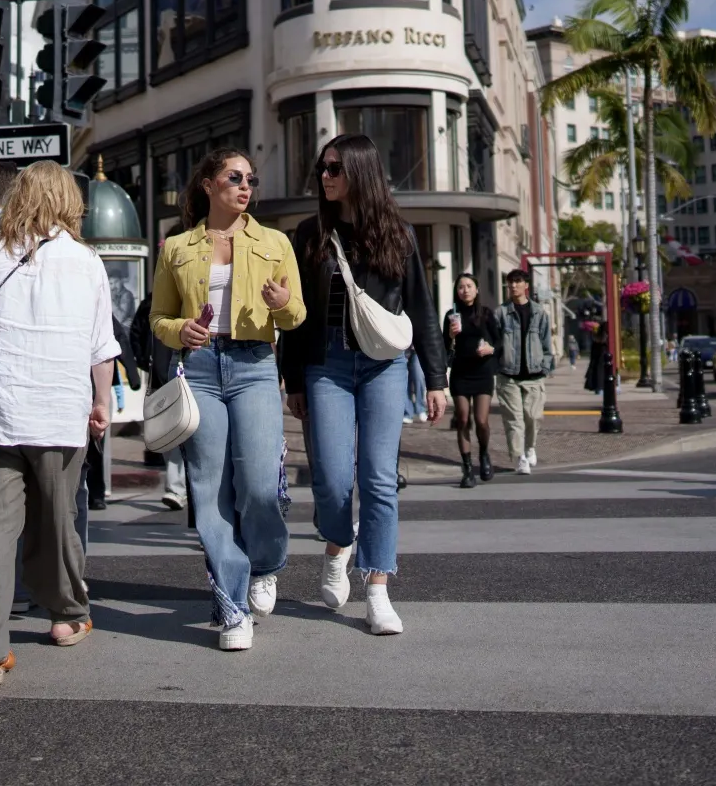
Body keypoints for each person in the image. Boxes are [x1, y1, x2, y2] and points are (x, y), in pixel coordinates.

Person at [0, 162, 117, 687]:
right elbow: (102, 346)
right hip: (61, 413)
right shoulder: (86, 261)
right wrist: (102, 403)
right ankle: (65, 615)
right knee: (57, 523)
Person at [284, 134, 448, 637]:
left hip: (384, 366)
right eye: (322, 169)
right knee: (332, 480)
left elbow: (420, 307)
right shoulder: (308, 235)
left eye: (335, 168)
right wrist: (292, 378)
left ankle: (378, 591)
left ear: (360, 171)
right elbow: (294, 317)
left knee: (378, 479)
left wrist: (436, 378)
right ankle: (337, 545)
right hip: (326, 366)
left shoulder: (398, 234)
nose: (326, 176)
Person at [149, 149, 305, 652]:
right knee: (210, 487)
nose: (245, 186)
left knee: (259, 483)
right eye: (235, 178)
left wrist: (284, 306)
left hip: (255, 365)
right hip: (200, 368)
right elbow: (158, 319)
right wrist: (182, 330)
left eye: (250, 179)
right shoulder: (177, 247)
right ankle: (232, 605)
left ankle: (264, 563)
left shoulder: (274, 242)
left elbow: (297, 314)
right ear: (209, 185)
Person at [130, 292, 188, 511]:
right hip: (163, 378)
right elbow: (136, 332)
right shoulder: (153, 301)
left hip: (184, 377)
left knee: (184, 434)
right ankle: (177, 488)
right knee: (171, 436)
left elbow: (135, 333)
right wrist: (145, 361)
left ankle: (180, 488)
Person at [495, 268, 554, 476]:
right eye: (510, 282)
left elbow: (547, 343)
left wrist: (546, 366)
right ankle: (520, 458)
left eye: (517, 281)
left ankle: (530, 447)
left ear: (526, 285)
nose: (512, 285)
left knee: (533, 417)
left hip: (534, 375)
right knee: (514, 420)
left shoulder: (539, 313)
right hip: (508, 376)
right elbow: (494, 341)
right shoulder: (501, 312)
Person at [444, 274, 501, 488]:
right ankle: (467, 469)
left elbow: (499, 340)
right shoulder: (452, 315)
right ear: (456, 291)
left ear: (477, 290)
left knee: (482, 420)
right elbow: (443, 345)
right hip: (460, 372)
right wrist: (450, 335)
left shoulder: (486, 314)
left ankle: (484, 454)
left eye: (469, 286)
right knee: (462, 418)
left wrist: (491, 349)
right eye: (461, 287)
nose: (465, 290)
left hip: (482, 371)